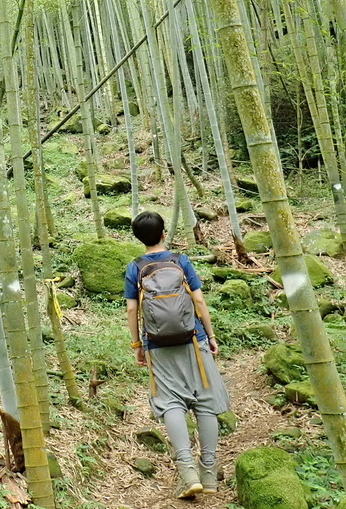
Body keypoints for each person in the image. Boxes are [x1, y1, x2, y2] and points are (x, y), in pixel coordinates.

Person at [125, 211, 231, 499]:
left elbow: (132, 309)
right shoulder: (180, 261)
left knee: (171, 403)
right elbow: (198, 299)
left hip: (158, 345)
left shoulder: (135, 268)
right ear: (163, 234)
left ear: (138, 238)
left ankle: (187, 472)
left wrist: (138, 345)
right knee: (205, 402)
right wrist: (210, 336)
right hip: (193, 339)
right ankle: (208, 473)